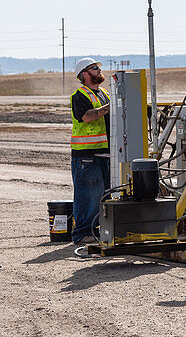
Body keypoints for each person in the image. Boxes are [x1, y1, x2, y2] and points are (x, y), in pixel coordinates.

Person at [70, 57, 110, 244]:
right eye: (94, 68)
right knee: (88, 195)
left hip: (104, 152)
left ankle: (100, 230)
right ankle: (82, 233)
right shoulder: (80, 95)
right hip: (86, 154)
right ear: (85, 74)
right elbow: (86, 117)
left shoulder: (103, 93)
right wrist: (111, 108)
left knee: (104, 194)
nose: (99, 71)